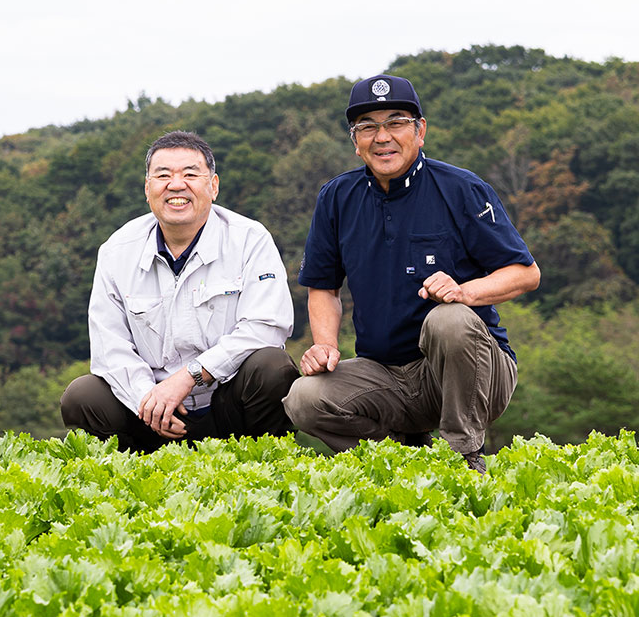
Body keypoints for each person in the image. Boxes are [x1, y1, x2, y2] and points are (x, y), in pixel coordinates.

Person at [283, 75, 540, 472]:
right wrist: (326, 345)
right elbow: (323, 287)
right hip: (384, 373)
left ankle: (463, 456)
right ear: (355, 141)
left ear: (420, 131)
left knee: (448, 320)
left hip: (472, 373)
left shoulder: (461, 188)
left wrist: (465, 292)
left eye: (396, 122)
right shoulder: (336, 197)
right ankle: (403, 457)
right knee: (304, 397)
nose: (382, 136)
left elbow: (525, 273)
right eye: (367, 127)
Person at [61, 130, 300, 452]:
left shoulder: (249, 239)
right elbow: (109, 347)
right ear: (147, 189)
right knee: (83, 395)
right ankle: (132, 471)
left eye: (190, 174)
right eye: (163, 175)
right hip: (151, 412)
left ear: (213, 186)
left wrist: (190, 376)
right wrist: (149, 400)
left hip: (227, 402)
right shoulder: (117, 250)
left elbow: (267, 328)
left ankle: (265, 463)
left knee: (272, 367)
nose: (176, 185)